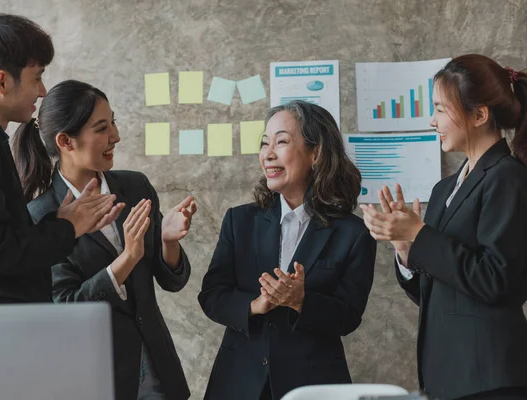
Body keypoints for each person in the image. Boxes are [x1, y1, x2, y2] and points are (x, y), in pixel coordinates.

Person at [0, 15, 123, 400]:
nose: (42, 90)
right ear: (1, 82)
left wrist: (62, 222)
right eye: (36, 77)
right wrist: (69, 228)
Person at [360, 54, 527, 400]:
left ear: (479, 115)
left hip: (490, 378)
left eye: (439, 109)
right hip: (448, 376)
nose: (431, 121)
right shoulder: (443, 190)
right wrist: (406, 251)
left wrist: (419, 234)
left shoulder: (508, 178)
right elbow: (434, 294)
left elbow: (499, 281)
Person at [14, 79, 193, 400]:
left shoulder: (136, 187)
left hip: (159, 368)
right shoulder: (40, 216)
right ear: (66, 141)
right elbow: (65, 307)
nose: (116, 136)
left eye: (113, 122)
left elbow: (172, 281)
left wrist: (167, 242)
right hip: (93, 377)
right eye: (102, 128)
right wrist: (125, 261)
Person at [198, 100, 376, 400]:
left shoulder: (354, 233)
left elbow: (348, 317)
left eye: (281, 142)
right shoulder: (239, 221)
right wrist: (255, 304)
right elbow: (212, 295)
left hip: (313, 384)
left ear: (316, 153)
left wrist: (301, 301)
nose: (268, 153)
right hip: (239, 383)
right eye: (265, 143)